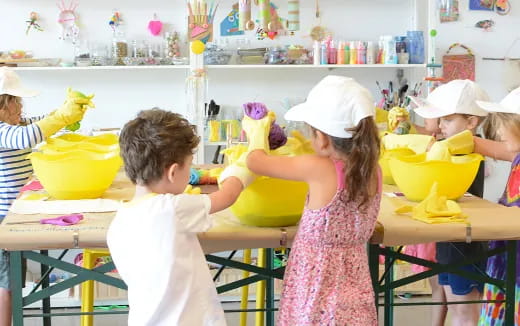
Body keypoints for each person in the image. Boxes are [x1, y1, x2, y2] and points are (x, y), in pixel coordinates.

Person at [245, 76, 381, 325]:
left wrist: (257, 132)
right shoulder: (373, 169)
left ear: (323, 138)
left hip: (316, 290)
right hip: (355, 287)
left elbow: (255, 161)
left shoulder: (317, 167)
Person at [107, 108, 251, 326]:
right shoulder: (172, 209)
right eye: (189, 166)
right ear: (173, 172)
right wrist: (240, 170)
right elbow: (227, 197)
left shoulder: (119, 223)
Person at [0, 67, 87, 326]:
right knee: (6, 286)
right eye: (16, 103)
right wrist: (61, 117)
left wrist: (61, 115)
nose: (21, 108)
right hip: (3, 222)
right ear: (3, 104)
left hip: (16, 219)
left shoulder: (16, 123)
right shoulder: (4, 131)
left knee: (12, 282)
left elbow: (38, 125)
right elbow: (28, 136)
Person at [410, 79, 490, 326]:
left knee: (464, 315)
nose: (440, 126)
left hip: (464, 242)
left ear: (471, 122)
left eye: (447, 120)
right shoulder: (450, 148)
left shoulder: (465, 153)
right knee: (455, 309)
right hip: (450, 240)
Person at [472, 87, 520, 325]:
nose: (499, 132)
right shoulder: (517, 155)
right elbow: (493, 147)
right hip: (506, 260)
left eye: (504, 124)